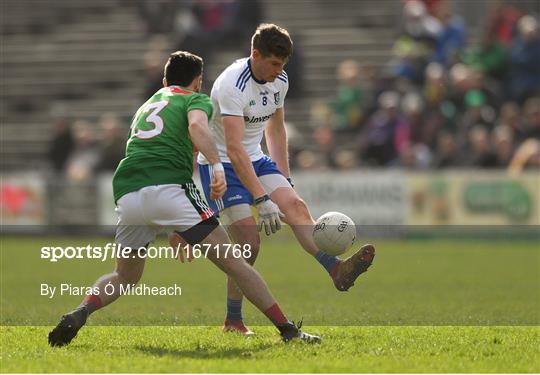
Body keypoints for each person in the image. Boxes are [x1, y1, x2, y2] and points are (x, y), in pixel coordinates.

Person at [48, 51, 320, 347]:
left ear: (165, 80)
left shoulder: (147, 105)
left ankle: (81, 311)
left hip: (128, 195)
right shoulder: (195, 99)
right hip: (169, 190)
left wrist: (181, 227)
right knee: (237, 264)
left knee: (124, 276)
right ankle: (288, 330)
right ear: (198, 82)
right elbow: (196, 128)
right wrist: (216, 163)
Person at [176, 24, 375, 336]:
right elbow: (232, 148)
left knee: (295, 206)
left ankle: (335, 268)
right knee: (248, 245)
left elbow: (276, 129)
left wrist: (284, 179)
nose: (279, 71)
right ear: (255, 55)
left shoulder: (279, 78)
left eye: (283, 65)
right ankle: (233, 320)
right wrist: (262, 198)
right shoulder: (232, 85)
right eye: (273, 64)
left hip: (255, 157)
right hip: (222, 166)